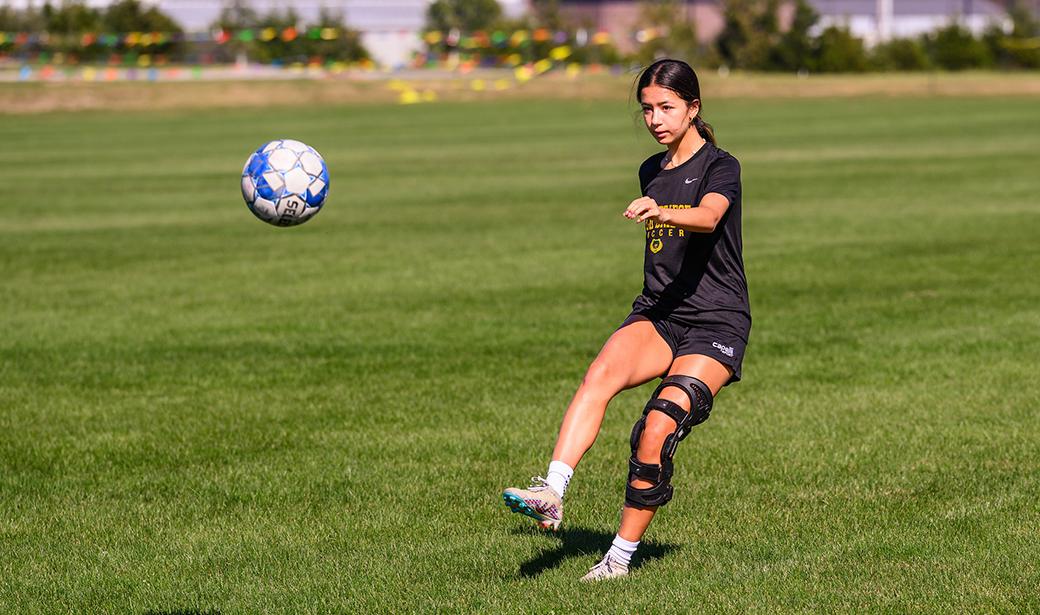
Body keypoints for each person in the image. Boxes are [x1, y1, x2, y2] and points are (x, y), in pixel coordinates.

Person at [502, 58, 751, 581]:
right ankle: (552, 490)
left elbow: (707, 216)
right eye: (647, 110)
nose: (656, 118)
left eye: (666, 107)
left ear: (693, 108)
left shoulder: (720, 166)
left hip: (716, 322)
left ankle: (618, 559)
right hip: (660, 313)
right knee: (599, 376)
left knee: (656, 427)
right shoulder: (649, 170)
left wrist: (660, 212)